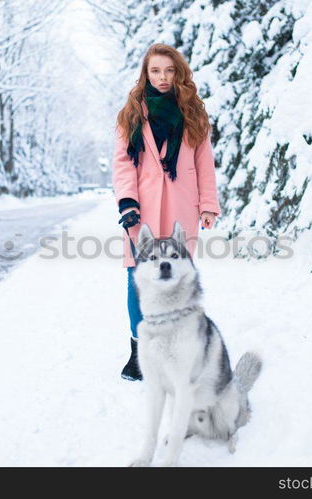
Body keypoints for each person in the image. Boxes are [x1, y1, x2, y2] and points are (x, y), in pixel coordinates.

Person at [111, 43, 222, 381]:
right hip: (140, 212)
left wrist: (208, 205)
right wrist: (127, 202)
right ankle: (138, 353)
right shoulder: (131, 113)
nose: (162, 77)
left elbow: (204, 163)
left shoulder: (193, 114)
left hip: (181, 209)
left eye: (169, 71)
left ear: (178, 74)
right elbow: (123, 163)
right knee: (138, 280)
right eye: (156, 71)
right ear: (146, 74)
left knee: (176, 278)